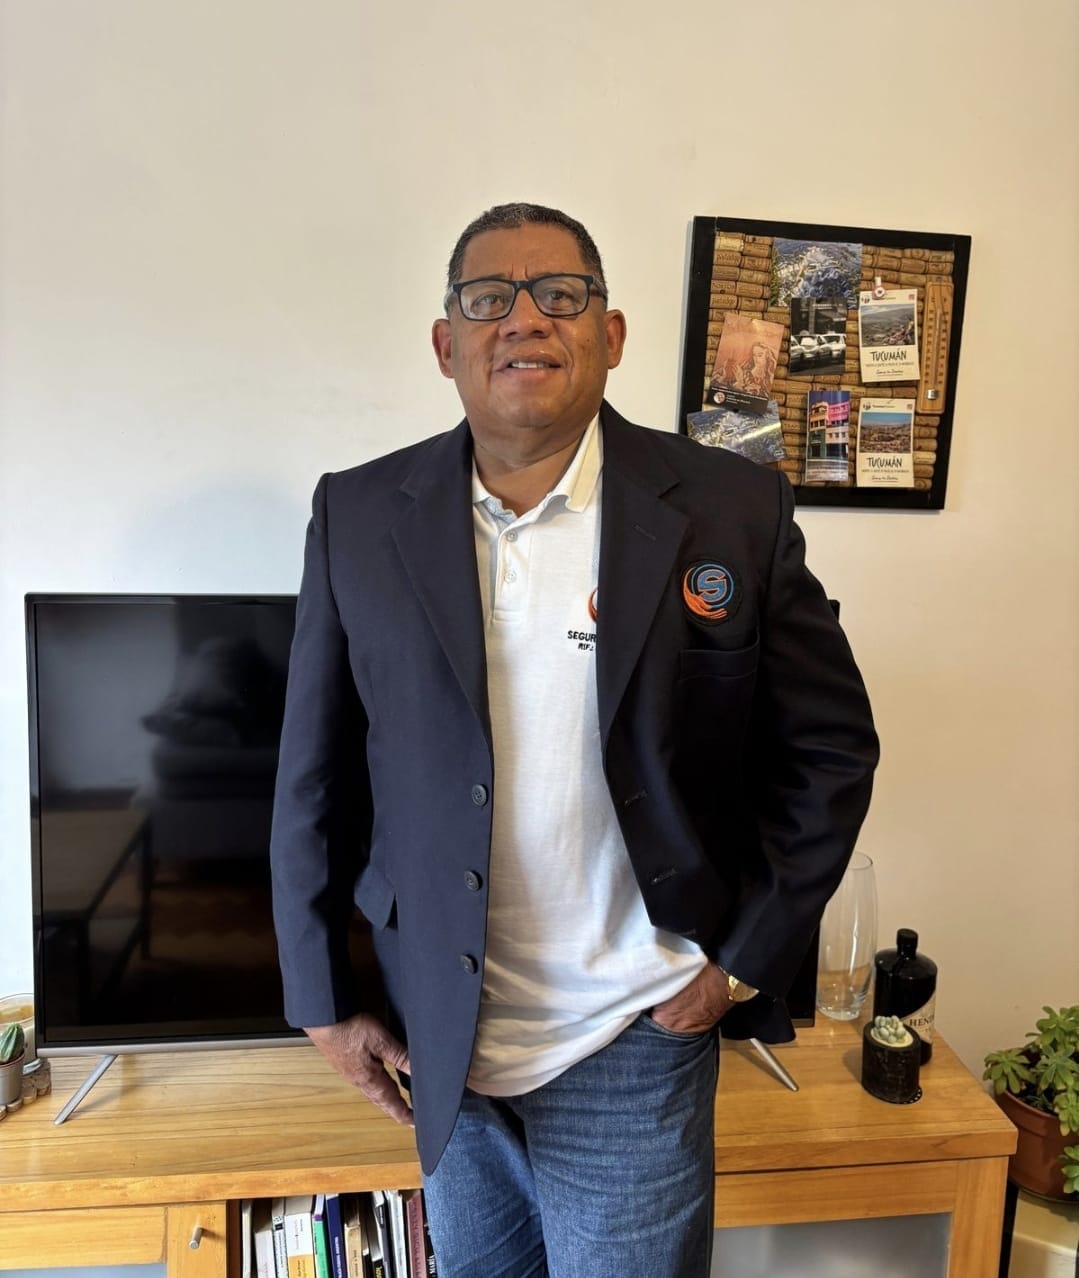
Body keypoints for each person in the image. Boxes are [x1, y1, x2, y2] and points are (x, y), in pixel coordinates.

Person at [269, 202, 878, 1277]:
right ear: (446, 344)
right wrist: (318, 998)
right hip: (439, 1034)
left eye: (560, 294)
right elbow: (313, 775)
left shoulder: (729, 510)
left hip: (633, 1034)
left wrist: (736, 967)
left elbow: (829, 751)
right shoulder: (357, 515)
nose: (524, 319)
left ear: (611, 334)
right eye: (488, 299)